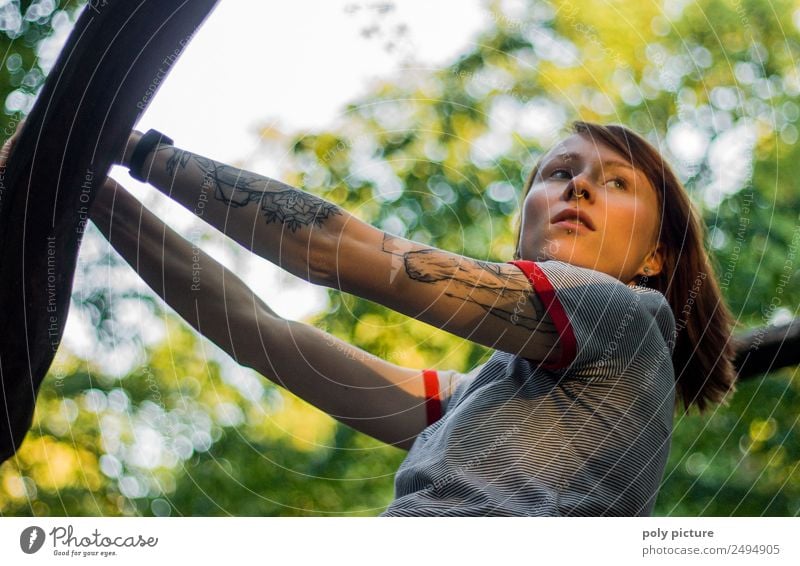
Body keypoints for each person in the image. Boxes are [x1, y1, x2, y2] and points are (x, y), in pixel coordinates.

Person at [2, 119, 737, 516]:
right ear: (524, 226)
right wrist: (93, 191)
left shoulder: (625, 316)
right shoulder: (491, 396)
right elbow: (267, 337)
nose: (579, 182)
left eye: (616, 183)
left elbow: (336, 249)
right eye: (557, 172)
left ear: (657, 260)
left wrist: (132, 149)